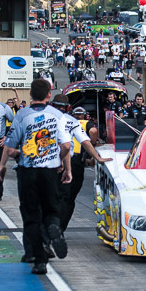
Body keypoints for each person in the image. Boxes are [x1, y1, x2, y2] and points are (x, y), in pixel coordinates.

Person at [0, 79, 72, 275]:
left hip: (28, 171)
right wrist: (62, 164)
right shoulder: (58, 115)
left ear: (30, 94)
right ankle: (54, 228)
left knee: (31, 216)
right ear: (49, 95)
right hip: (49, 171)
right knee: (51, 210)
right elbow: (66, 146)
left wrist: (4, 164)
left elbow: (10, 147)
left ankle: (39, 261)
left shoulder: (21, 115)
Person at [53, 97, 111, 233]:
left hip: (51, 161)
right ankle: (58, 229)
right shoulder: (72, 121)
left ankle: (53, 229)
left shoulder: (44, 117)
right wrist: (96, 157)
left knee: (55, 197)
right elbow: (86, 139)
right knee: (67, 199)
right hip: (70, 161)